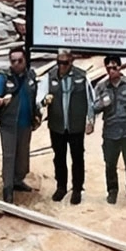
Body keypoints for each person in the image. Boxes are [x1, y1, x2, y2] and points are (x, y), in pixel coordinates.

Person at [38, 49, 95, 204]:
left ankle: (77, 189)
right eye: (59, 62)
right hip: (57, 126)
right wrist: (44, 102)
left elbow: (91, 99)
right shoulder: (50, 76)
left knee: (77, 157)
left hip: (75, 126)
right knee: (59, 157)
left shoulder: (82, 76)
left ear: (71, 61)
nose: (61, 66)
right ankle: (61, 186)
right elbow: (39, 97)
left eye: (65, 62)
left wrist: (91, 120)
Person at [94, 56, 126, 206]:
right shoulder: (102, 87)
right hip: (110, 131)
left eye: (114, 67)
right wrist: (102, 103)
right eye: (108, 68)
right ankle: (112, 191)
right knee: (110, 164)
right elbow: (93, 107)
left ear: (120, 67)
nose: (111, 71)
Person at [0, 47, 40, 203]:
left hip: (26, 124)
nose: (17, 64)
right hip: (9, 125)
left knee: (22, 156)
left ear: (25, 60)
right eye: (13, 61)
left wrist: (37, 115)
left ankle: (18, 180)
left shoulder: (30, 76)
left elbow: (34, 97)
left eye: (20, 60)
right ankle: (8, 189)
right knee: (9, 157)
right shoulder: (3, 78)